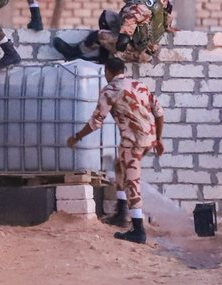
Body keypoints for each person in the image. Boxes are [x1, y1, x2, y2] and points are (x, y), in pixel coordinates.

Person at [67, 56, 165, 245]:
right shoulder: (140, 85)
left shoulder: (111, 89)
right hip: (148, 138)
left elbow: (96, 122)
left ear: (108, 72)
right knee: (119, 167)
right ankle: (121, 213)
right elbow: (159, 113)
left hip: (133, 142)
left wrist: (76, 137)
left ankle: (138, 229)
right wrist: (159, 139)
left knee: (132, 180)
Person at [50, 0, 172, 64]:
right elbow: (168, 8)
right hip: (148, 39)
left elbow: (122, 43)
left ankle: (74, 53)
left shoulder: (134, 9)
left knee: (99, 35)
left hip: (141, 52)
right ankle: (102, 57)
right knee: (106, 16)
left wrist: (111, 45)